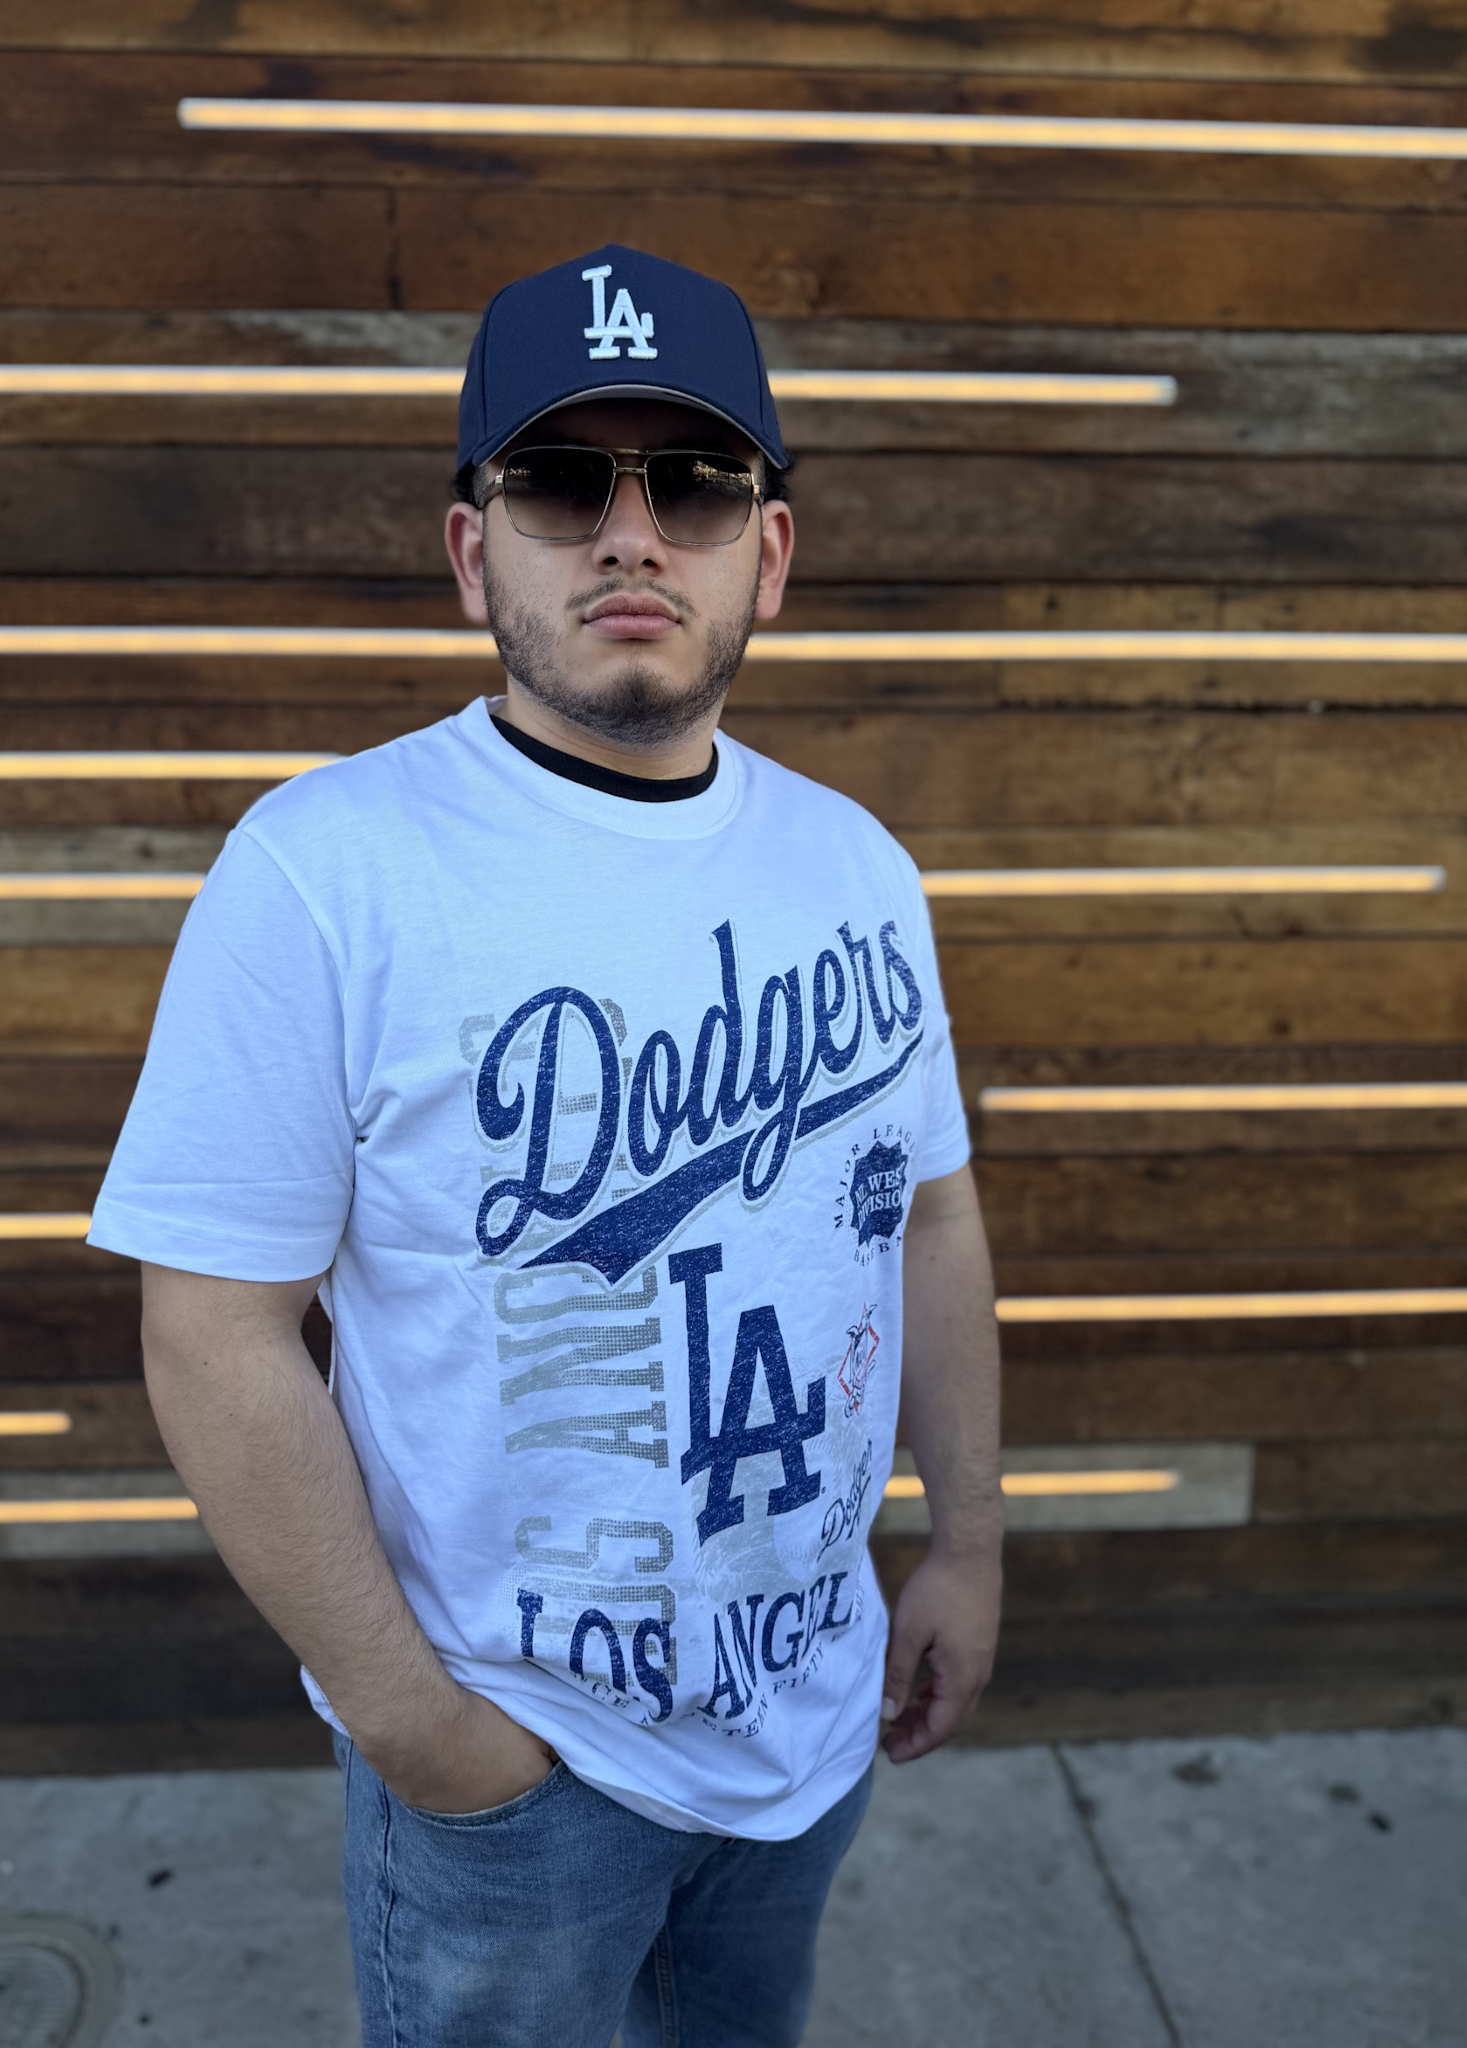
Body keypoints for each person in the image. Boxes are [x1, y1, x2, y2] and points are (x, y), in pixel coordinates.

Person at [89, 243, 1003, 2048]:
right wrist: (423, 1731)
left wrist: (967, 1542)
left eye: (697, 483)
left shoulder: (857, 869)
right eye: (565, 481)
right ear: (472, 551)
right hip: (516, 1780)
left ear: (769, 551)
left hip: (809, 1725)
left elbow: (930, 1221)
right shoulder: (329, 871)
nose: (631, 534)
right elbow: (211, 1330)